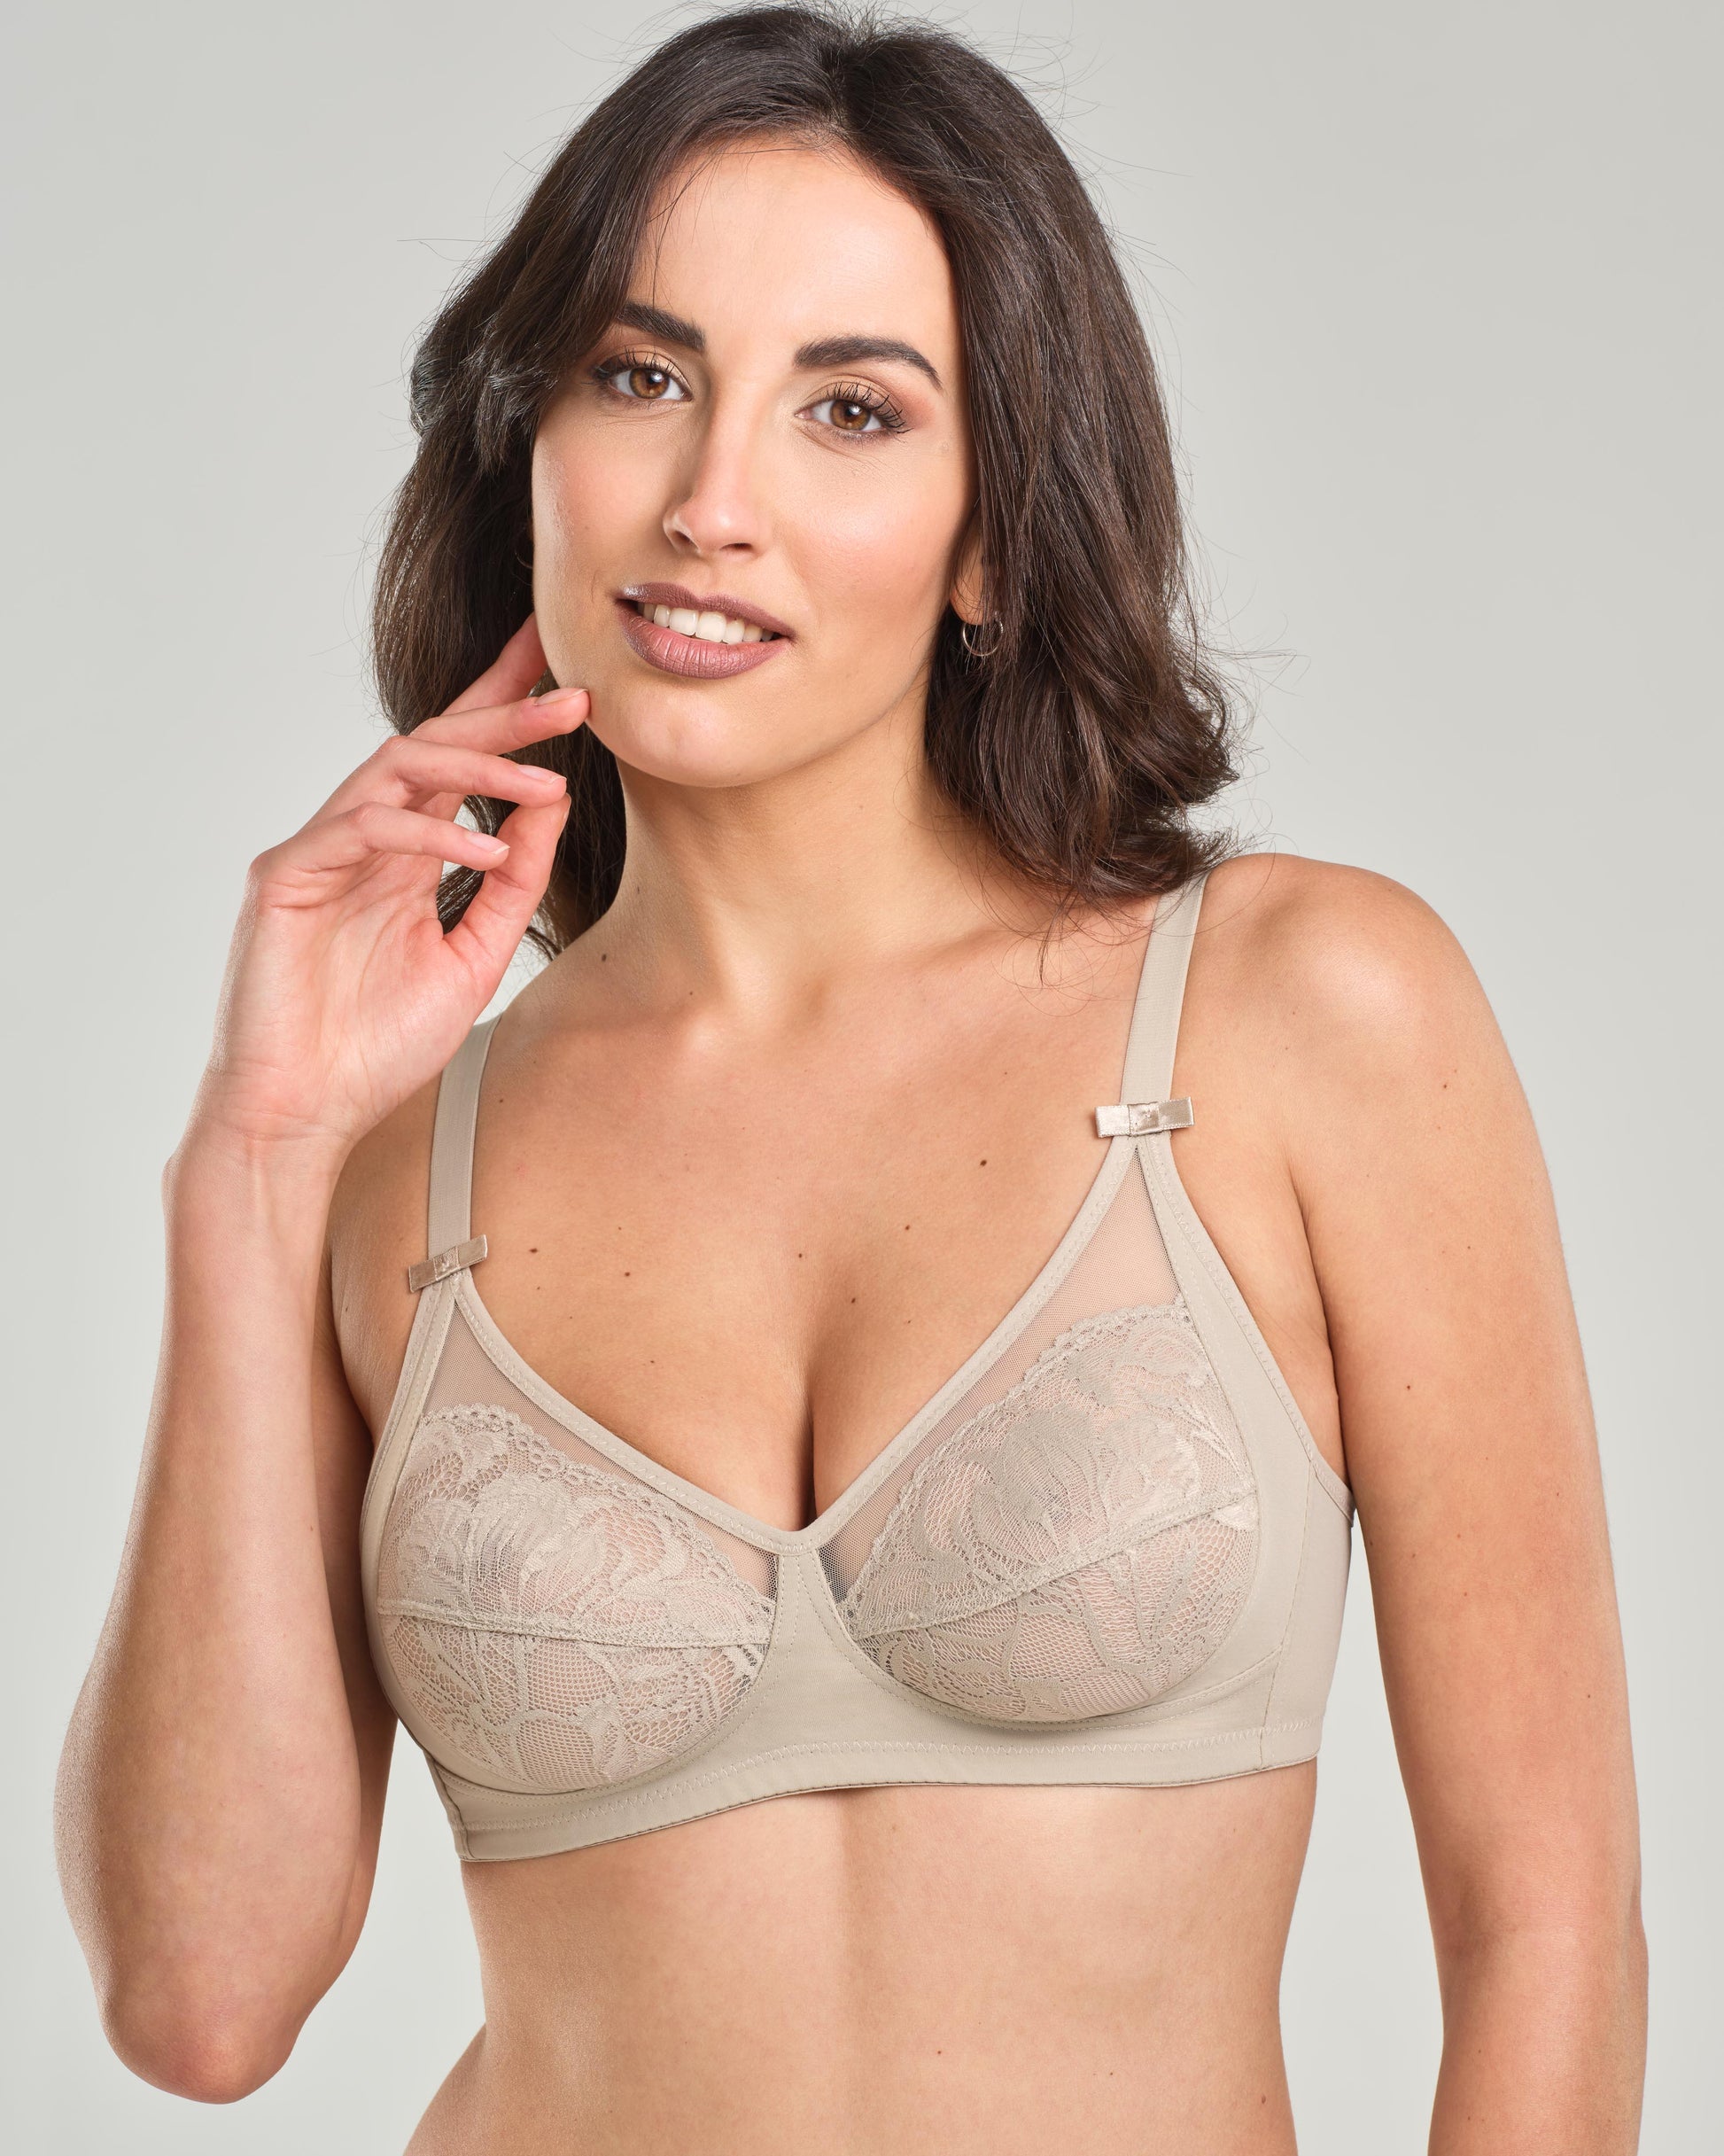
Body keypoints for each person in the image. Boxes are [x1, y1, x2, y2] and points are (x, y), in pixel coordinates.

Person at [54, 6, 1646, 2149]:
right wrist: (251, 1159)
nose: (712, 503)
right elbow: (200, 1999)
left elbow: (1548, 1923)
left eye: (851, 410)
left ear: (992, 533)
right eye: (641, 378)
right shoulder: (380, 1167)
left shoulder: (1300, 1015)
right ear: (531, 448)